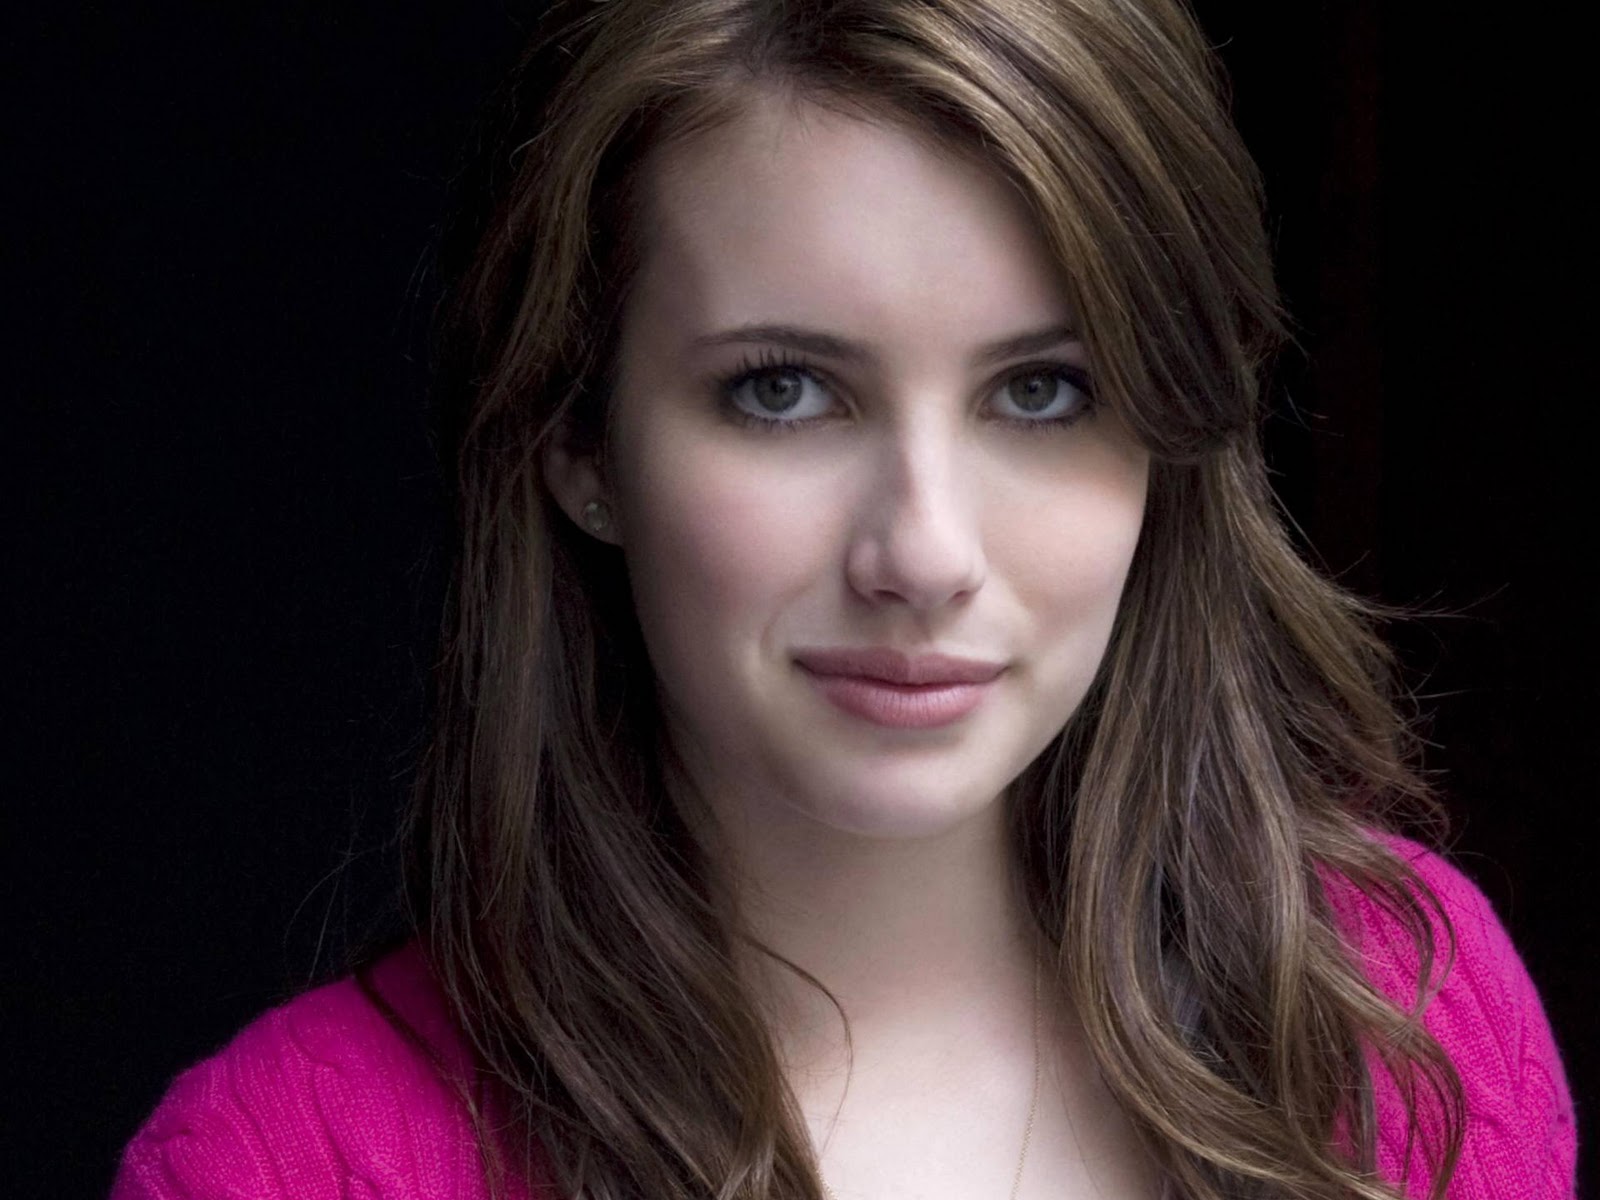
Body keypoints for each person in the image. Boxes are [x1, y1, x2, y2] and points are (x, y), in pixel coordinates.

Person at [109, 1, 1577, 1197]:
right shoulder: (283, 1167)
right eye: (784, 391)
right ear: (578, 439)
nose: (924, 553)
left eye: (1044, 391)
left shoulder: (1405, 1024)